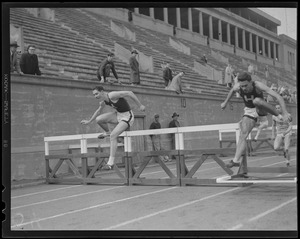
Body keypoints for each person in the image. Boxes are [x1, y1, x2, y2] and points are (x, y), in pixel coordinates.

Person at [220, 72, 292, 169]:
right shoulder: (238, 86)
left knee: (256, 101)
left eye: (246, 85)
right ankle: (235, 161)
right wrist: (225, 102)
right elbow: (232, 91)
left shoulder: (257, 85)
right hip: (250, 111)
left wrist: (284, 112)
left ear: (251, 82)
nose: (244, 88)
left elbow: (278, 96)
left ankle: (278, 116)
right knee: (243, 134)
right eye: (242, 86)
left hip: (261, 108)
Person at [80, 86, 145, 170]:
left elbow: (130, 93)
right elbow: (98, 111)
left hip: (127, 116)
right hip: (118, 115)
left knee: (113, 136)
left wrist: (140, 105)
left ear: (102, 91)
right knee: (99, 119)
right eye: (94, 95)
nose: (95, 96)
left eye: (97, 93)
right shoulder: (103, 102)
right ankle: (107, 132)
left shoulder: (112, 95)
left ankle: (110, 163)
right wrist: (89, 121)